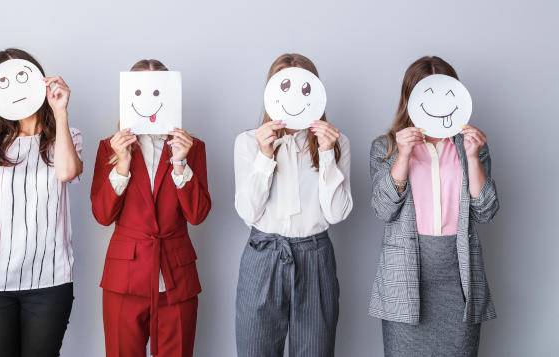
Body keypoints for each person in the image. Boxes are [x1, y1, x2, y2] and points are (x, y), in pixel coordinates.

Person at [369, 56, 499, 357]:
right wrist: (403, 156)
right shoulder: (386, 147)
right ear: (410, 97)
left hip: (459, 280)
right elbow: (383, 209)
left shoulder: (471, 146)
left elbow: (486, 211)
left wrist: (473, 158)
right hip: (404, 280)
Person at [0, 49, 82, 357]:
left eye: (21, 78)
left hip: (50, 278)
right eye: (4, 82)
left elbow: (67, 172)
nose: (15, 88)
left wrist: (60, 112)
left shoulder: (66, 135)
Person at [91, 59, 211, 357]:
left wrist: (180, 162)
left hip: (177, 277)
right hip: (124, 277)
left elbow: (197, 215)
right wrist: (121, 164)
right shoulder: (109, 147)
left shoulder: (193, 147)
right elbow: (102, 215)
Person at [234, 53, 351, 357]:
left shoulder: (338, 143)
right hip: (263, 254)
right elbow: (248, 212)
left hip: (315, 255)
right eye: (284, 86)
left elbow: (337, 213)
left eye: (303, 89)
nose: (294, 97)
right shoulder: (248, 142)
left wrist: (327, 153)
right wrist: (264, 155)